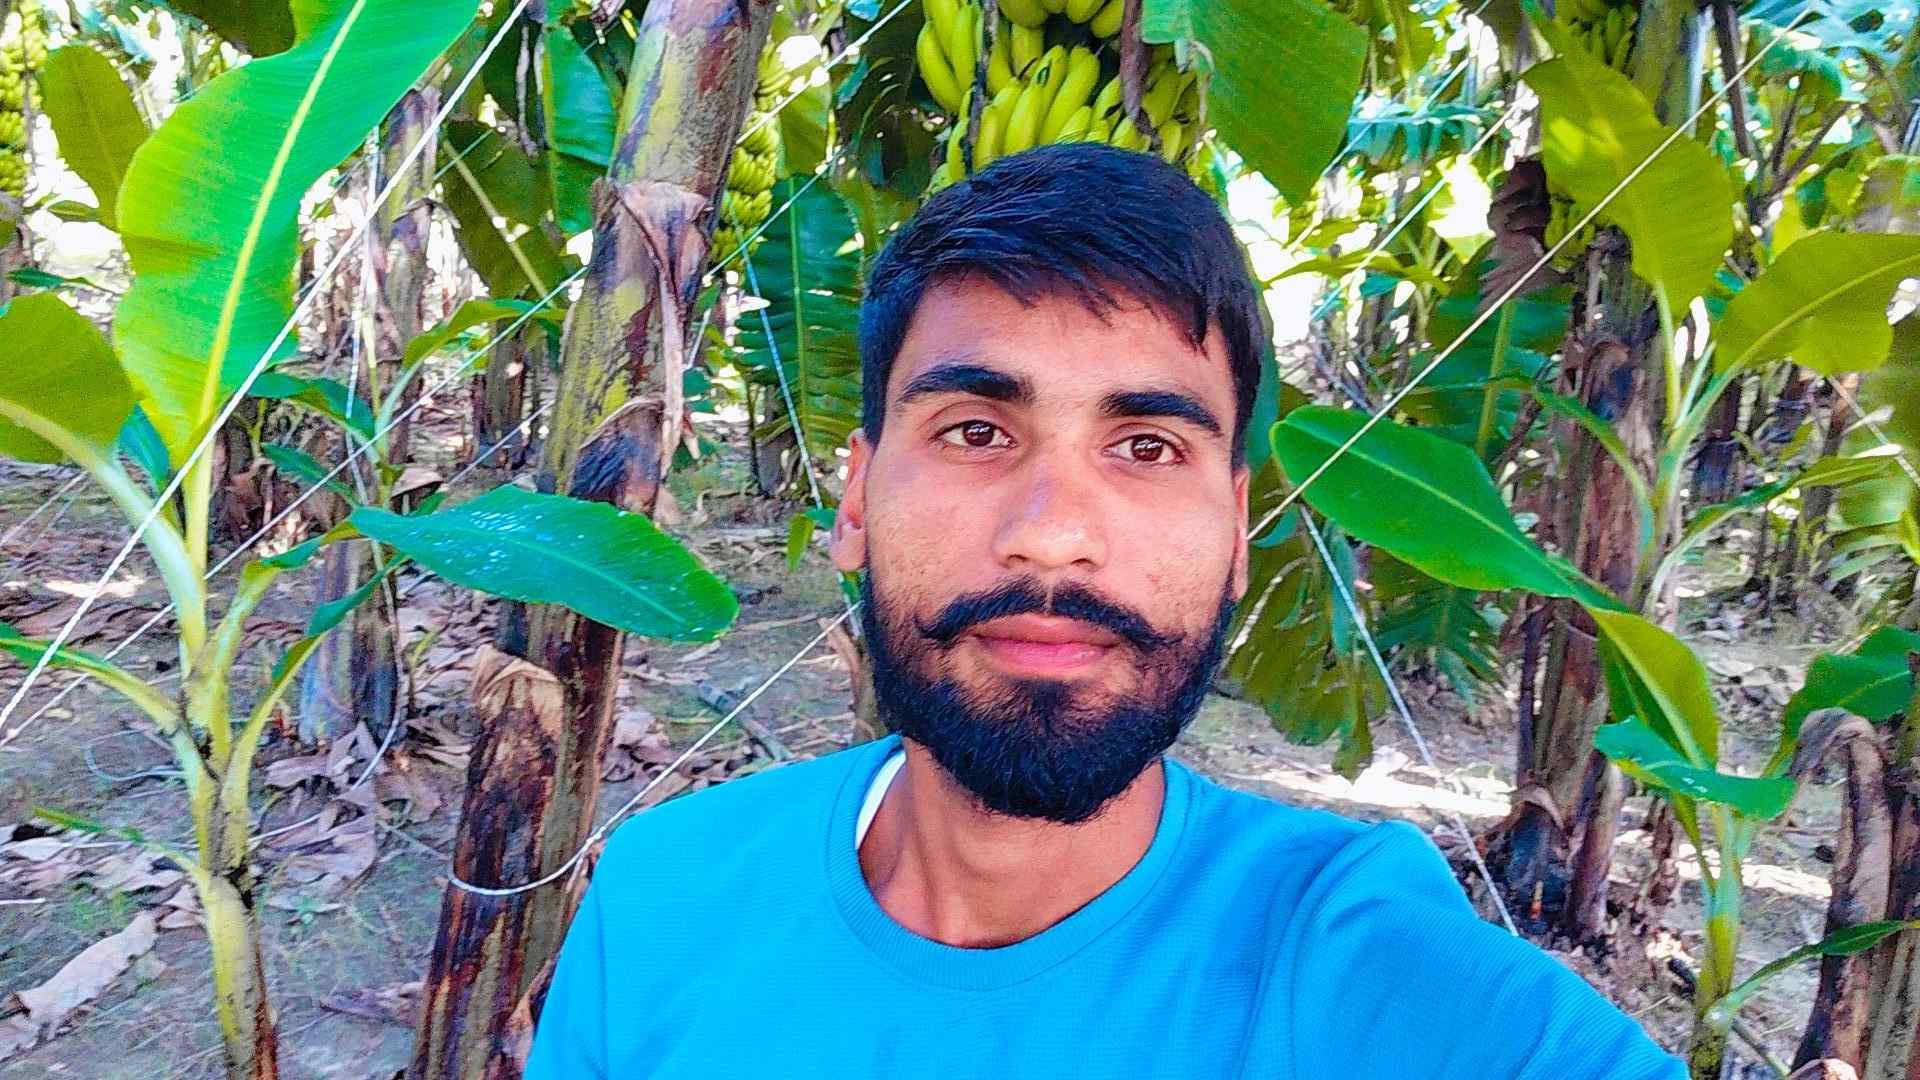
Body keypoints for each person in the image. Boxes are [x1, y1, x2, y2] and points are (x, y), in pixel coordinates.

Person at [526, 143, 1685, 1078]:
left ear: (1237, 533)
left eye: (1147, 446)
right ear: (859, 502)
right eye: (975, 431)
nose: (1053, 532)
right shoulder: (662, 894)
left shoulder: (1346, 957)